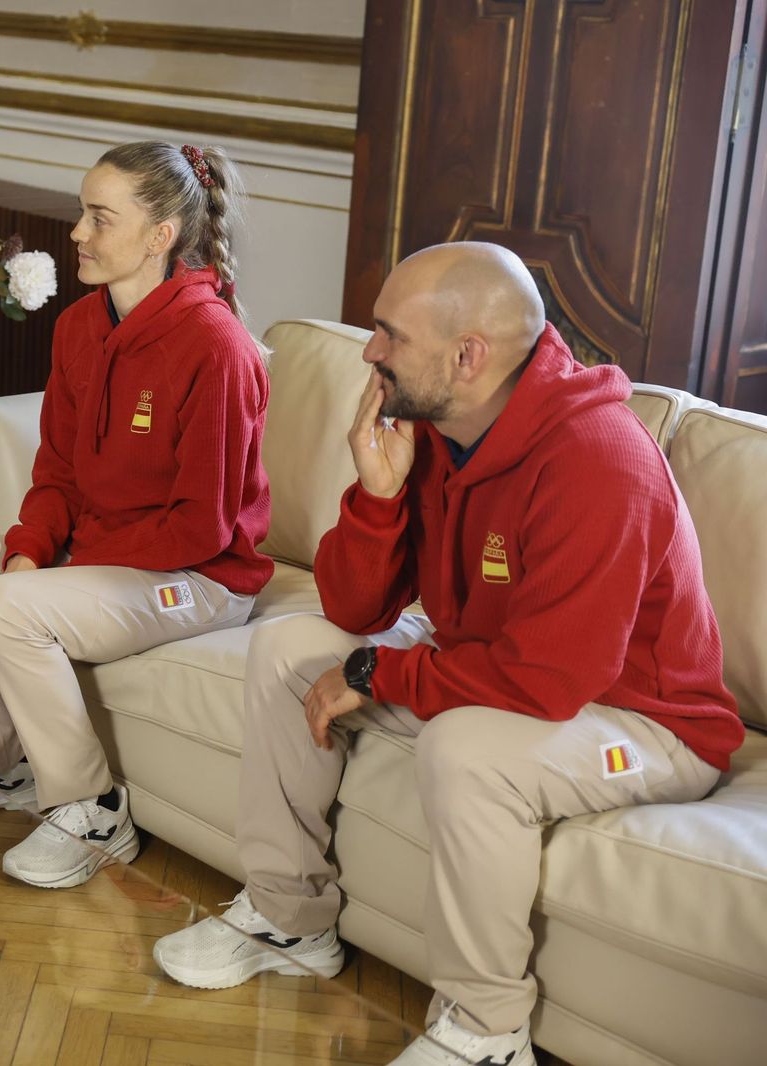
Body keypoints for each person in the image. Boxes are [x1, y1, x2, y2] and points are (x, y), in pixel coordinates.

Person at [152, 242, 744, 1065]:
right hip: (500, 661)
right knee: (288, 646)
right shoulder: (438, 427)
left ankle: (486, 1030)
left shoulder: (598, 459)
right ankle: (289, 919)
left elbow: (548, 678)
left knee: (465, 751)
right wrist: (377, 495)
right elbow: (352, 606)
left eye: (389, 335)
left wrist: (376, 672)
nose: (369, 352)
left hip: (644, 718)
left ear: (468, 357)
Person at [0, 141, 273, 890]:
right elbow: (58, 470)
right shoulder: (79, 328)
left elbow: (202, 528)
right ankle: (3, 768)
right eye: (82, 213)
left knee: (7, 607)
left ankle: (94, 810)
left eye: (100, 218)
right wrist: (34, 549)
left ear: (161, 236)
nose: (77, 233)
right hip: (100, 554)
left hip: (200, 577)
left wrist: (64, 564)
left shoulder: (216, 347)